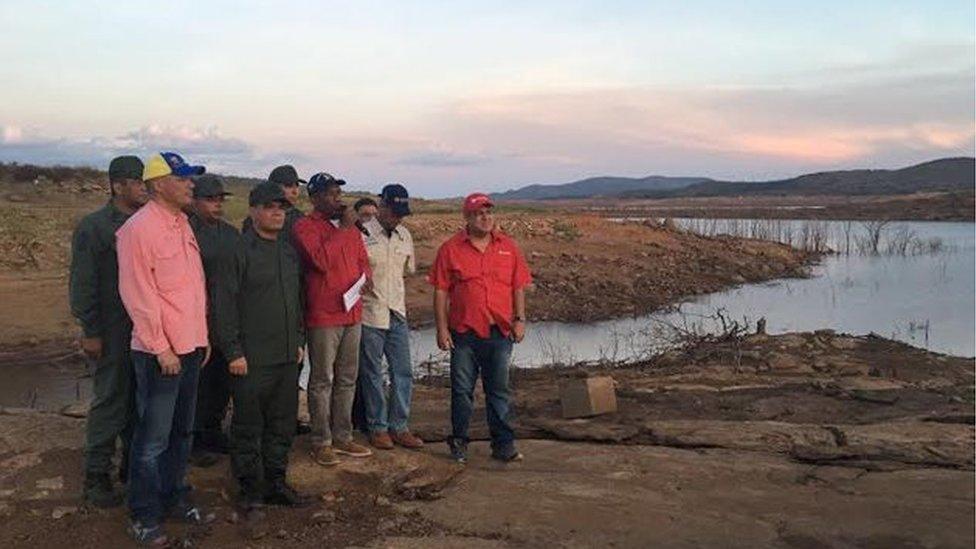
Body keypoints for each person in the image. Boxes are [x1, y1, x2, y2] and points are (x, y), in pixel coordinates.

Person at [117, 152, 214, 545]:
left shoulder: (183, 223)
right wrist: (162, 349)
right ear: (159, 184)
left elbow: (193, 287)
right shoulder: (138, 230)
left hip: (189, 347)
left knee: (181, 433)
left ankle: (175, 497)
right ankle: (143, 513)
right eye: (184, 178)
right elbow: (138, 294)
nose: (192, 184)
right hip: (161, 354)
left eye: (191, 178)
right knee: (152, 438)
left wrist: (201, 337)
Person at [213, 181, 309, 516]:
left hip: (285, 358)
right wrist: (233, 350)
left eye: (281, 207)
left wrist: (298, 341)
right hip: (251, 360)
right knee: (248, 427)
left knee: (282, 425)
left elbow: (298, 302)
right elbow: (223, 305)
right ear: (253, 210)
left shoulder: (287, 250)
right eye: (270, 207)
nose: (278, 212)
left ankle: (276, 483)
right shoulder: (239, 251)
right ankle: (250, 489)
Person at [428, 193, 532, 464]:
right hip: (464, 334)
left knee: (498, 390)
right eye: (478, 214)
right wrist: (441, 329)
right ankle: (460, 441)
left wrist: (520, 319)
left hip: (499, 332)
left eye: (488, 212)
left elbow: (518, 286)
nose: (485, 218)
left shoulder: (508, 247)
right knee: (462, 391)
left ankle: (503, 445)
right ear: (467, 217)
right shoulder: (450, 249)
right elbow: (440, 292)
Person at [70, 155, 148, 507]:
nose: (143, 187)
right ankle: (96, 476)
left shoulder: (148, 223)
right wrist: (91, 329)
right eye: (136, 182)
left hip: (143, 327)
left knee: (139, 400)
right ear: (117, 185)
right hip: (112, 327)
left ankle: (131, 470)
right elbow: (83, 282)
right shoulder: (96, 227)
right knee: (110, 401)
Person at [291, 172, 374, 466]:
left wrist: (366, 277)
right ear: (314, 198)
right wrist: (343, 230)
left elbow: (362, 259)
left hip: (352, 312)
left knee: (348, 378)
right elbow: (322, 261)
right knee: (322, 379)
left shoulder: (349, 228)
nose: (337, 198)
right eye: (330, 194)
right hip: (325, 314)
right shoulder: (305, 227)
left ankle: (343, 436)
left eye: (338, 193)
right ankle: (321, 440)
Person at [358, 184, 424, 450]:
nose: (398, 218)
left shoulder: (404, 236)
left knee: (403, 372)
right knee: (372, 373)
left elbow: (406, 273)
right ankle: (377, 427)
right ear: (381, 206)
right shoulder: (361, 234)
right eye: (393, 211)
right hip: (370, 313)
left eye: (401, 213)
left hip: (396, 312)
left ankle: (400, 426)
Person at [187, 174, 239, 464]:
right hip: (196, 319)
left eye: (220, 200)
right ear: (194, 201)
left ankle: (213, 431)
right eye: (210, 200)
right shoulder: (185, 232)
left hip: (226, 318)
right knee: (198, 383)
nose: (217, 205)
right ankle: (193, 440)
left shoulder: (230, 234)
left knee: (222, 380)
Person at [242, 164, 306, 241]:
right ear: (273, 187)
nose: (295, 191)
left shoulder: (300, 219)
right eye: (288, 186)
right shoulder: (257, 219)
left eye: (297, 186)